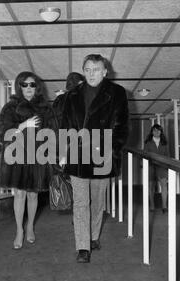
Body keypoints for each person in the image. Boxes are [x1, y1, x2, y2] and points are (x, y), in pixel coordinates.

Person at [55, 54, 129, 263]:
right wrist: (63, 152)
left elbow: (122, 126)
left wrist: (112, 150)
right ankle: (82, 247)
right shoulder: (73, 95)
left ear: (105, 72)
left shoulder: (117, 93)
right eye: (87, 69)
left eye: (96, 69)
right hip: (77, 155)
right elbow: (66, 126)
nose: (91, 73)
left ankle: (94, 236)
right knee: (80, 202)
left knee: (97, 201)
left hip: (102, 155)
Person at [0, 71, 57, 250]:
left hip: (38, 157)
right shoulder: (10, 107)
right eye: (25, 84)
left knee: (33, 194)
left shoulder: (46, 108)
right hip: (18, 157)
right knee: (20, 195)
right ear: (19, 86)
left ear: (37, 87)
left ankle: (30, 226)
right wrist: (22, 126)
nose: (29, 88)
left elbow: (54, 132)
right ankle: (19, 230)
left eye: (32, 85)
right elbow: (1, 130)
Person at [144, 124, 169, 214]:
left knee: (164, 186)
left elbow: (167, 156)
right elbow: (145, 155)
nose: (156, 132)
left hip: (162, 167)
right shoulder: (148, 143)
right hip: (151, 166)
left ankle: (164, 206)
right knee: (151, 187)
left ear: (161, 132)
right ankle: (152, 205)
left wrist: (167, 167)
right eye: (154, 130)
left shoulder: (164, 143)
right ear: (151, 132)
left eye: (158, 130)